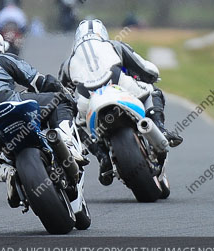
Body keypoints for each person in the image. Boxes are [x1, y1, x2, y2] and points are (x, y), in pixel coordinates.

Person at [0, 28, 84, 190]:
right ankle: (67, 143)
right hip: (7, 104)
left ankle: (6, 172)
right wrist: (65, 93)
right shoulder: (1, 58)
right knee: (60, 101)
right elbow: (40, 82)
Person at [59, 19, 182, 184]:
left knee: (75, 123)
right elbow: (144, 68)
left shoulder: (68, 63)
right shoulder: (114, 45)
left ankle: (102, 156)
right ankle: (161, 129)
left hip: (88, 100)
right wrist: (151, 77)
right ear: (102, 33)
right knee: (153, 92)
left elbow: (62, 94)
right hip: (118, 85)